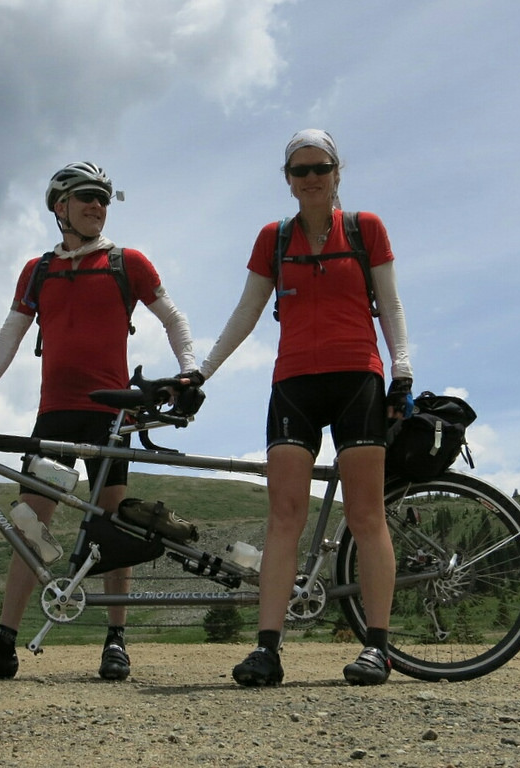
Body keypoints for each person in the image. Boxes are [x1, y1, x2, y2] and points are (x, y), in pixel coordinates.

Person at [0, 162, 197, 682]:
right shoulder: (38, 271)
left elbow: (174, 318)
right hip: (55, 413)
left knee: (113, 524)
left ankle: (115, 641)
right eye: (86, 197)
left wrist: (190, 371)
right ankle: (5, 646)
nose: (97, 206)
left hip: (111, 415)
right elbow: (8, 337)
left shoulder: (127, 262)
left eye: (103, 198)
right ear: (60, 206)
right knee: (29, 526)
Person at [196, 129, 413, 686]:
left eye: (321, 167)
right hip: (293, 382)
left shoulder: (365, 229)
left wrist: (403, 372)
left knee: (366, 515)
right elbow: (246, 312)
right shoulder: (273, 239)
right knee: (284, 516)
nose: (311, 177)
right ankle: (267, 650)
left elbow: (390, 306)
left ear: (338, 172)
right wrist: (200, 373)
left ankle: (377, 648)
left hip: (358, 378)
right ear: (288, 180)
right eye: (300, 170)